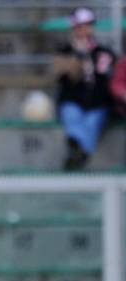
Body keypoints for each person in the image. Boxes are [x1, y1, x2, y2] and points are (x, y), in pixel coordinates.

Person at [54, 7, 115, 170]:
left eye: (86, 25)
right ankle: (79, 151)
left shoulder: (103, 52)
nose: (82, 30)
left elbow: (104, 78)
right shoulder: (64, 51)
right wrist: (79, 55)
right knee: (71, 114)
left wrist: (88, 57)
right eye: (79, 26)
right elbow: (63, 76)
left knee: (92, 121)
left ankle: (77, 154)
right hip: (72, 100)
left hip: (97, 104)